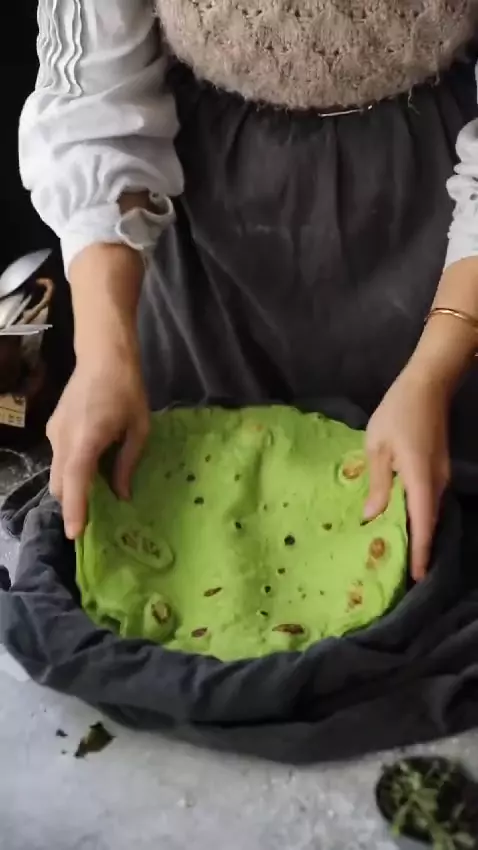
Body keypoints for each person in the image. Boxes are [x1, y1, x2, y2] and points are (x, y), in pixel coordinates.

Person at [20, 1, 478, 580]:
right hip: (206, 232)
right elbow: (95, 104)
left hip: (438, 225)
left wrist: (434, 371)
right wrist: (103, 357)